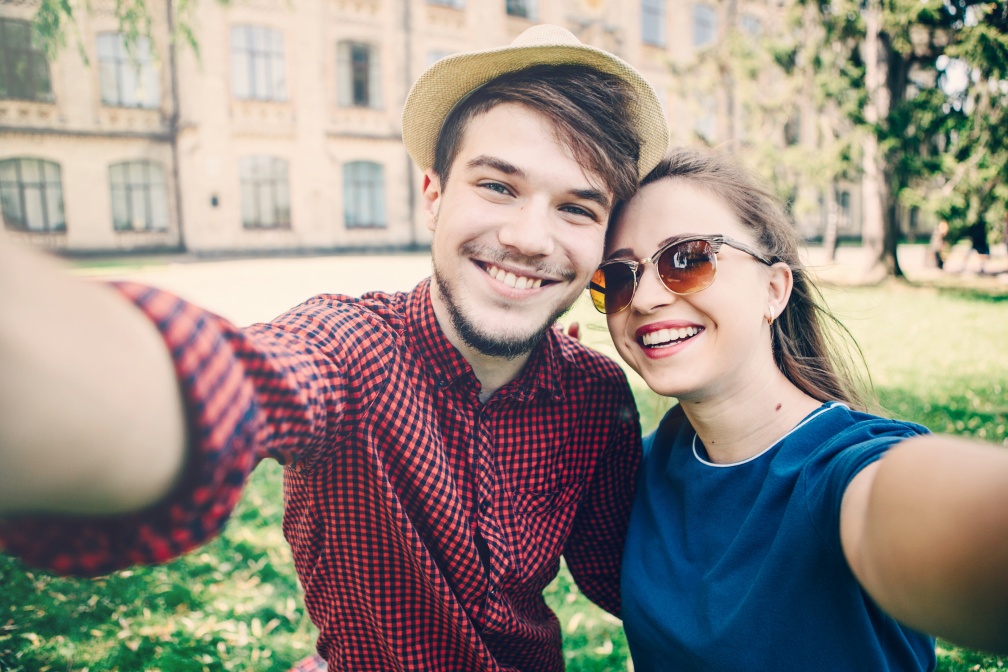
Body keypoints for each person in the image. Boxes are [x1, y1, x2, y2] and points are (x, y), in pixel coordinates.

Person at [0, 25, 670, 671]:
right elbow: (234, 385)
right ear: (433, 196)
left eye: (577, 208)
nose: (530, 237)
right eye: (498, 186)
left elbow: (635, 580)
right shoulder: (351, 353)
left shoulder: (593, 396)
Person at [588, 147, 1008, 670]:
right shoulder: (640, 469)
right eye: (618, 277)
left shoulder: (842, 470)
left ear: (774, 289)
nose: (645, 297)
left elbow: (915, 513)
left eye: (689, 258)